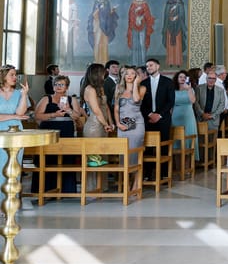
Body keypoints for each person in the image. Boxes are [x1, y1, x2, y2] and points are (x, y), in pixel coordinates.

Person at [33, 74, 84, 194]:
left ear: (67, 87)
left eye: (61, 84)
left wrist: (68, 110)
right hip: (48, 130)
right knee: (48, 158)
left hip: (66, 131)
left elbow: (77, 117)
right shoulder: (46, 99)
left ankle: (66, 189)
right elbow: (37, 115)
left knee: (66, 158)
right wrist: (54, 114)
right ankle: (45, 189)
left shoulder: (72, 100)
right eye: (56, 84)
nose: (58, 86)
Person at [80, 63, 115, 193]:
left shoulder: (100, 88)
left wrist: (111, 123)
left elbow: (106, 107)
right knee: (94, 157)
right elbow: (96, 110)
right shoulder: (90, 89)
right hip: (94, 126)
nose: (105, 75)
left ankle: (102, 186)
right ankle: (92, 187)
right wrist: (105, 124)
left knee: (103, 155)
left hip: (104, 124)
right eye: (103, 72)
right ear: (96, 74)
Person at [141, 58, 175, 181]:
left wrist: (159, 115)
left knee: (163, 146)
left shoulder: (168, 82)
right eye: (147, 66)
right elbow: (141, 103)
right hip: (148, 119)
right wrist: (150, 114)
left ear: (158, 66)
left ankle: (163, 174)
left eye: (151, 65)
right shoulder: (143, 83)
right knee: (148, 147)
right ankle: (148, 174)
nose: (148, 68)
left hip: (163, 119)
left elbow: (170, 101)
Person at [113, 66, 145, 195]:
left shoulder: (142, 88)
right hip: (122, 126)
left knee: (135, 154)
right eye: (127, 74)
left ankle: (136, 184)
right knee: (124, 155)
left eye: (133, 74)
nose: (130, 76)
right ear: (123, 76)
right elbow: (116, 109)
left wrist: (136, 84)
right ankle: (126, 184)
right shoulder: (118, 89)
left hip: (137, 125)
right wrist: (118, 124)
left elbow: (136, 99)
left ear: (136, 76)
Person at [0, 66, 29, 200]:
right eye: (11, 74)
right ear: (3, 76)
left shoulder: (18, 93)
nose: (15, 77)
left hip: (16, 132)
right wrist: (14, 117)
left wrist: (24, 94)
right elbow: (17, 116)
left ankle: (11, 201)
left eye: (15, 75)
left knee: (15, 165)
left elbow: (20, 113)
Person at [172, 70, 198, 173]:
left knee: (187, 141)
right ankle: (178, 167)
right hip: (175, 117)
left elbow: (193, 101)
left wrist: (189, 89)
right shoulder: (173, 90)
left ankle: (187, 168)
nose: (182, 79)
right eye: (180, 77)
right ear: (177, 79)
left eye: (184, 77)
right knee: (176, 142)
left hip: (188, 117)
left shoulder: (190, 89)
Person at [87, 0, 118, 65]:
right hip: (98, 25)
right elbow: (94, 14)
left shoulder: (107, 2)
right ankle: (97, 60)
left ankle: (104, 61)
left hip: (105, 26)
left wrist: (112, 11)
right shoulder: (97, 1)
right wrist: (99, 8)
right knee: (97, 42)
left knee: (104, 43)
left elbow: (108, 14)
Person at [127, 0, 155, 66]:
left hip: (143, 26)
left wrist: (141, 17)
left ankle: (143, 62)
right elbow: (130, 14)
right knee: (135, 44)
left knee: (142, 44)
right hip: (134, 26)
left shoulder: (145, 4)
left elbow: (148, 15)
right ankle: (134, 62)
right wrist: (136, 19)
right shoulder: (133, 4)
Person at [162, 0, 187, 67]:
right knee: (170, 45)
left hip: (178, 26)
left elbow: (182, 13)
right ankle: (170, 62)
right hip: (169, 26)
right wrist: (170, 16)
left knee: (178, 45)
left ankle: (178, 61)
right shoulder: (169, 2)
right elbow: (166, 14)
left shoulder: (180, 2)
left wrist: (178, 16)